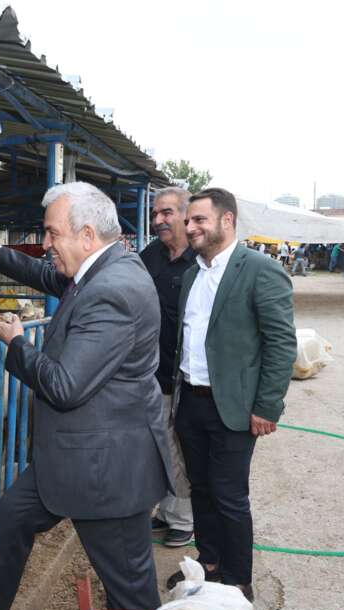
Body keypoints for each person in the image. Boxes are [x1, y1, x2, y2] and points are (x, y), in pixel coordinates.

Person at [0, 182, 172, 610]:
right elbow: (49, 275)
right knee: (11, 514)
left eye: (51, 232)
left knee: (131, 598)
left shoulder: (113, 292)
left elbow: (65, 386)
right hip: (78, 453)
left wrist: (17, 344)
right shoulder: (103, 268)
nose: (45, 242)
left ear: (87, 234)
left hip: (107, 470)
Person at [166, 188, 296, 602]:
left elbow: (280, 342)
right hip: (192, 401)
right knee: (200, 489)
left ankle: (239, 580)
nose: (190, 227)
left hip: (234, 407)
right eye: (188, 221)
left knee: (229, 495)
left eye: (199, 220)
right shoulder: (192, 274)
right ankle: (209, 563)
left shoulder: (259, 269)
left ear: (227, 221)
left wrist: (266, 405)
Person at [139, 186, 195, 548]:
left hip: (188, 374)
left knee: (182, 446)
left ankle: (184, 518)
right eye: (156, 213)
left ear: (185, 215)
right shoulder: (150, 256)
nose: (158, 220)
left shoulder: (201, 259)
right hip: (152, 371)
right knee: (159, 444)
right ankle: (166, 511)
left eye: (167, 213)